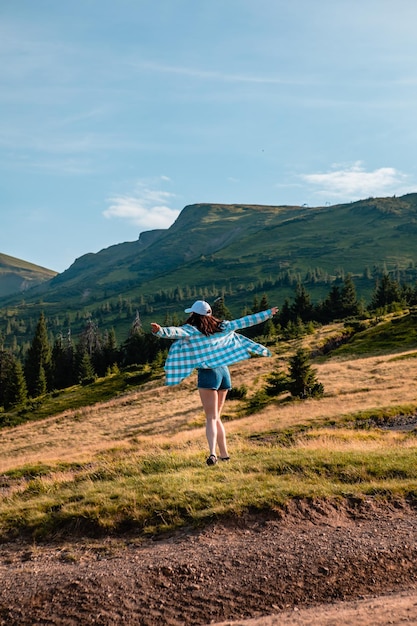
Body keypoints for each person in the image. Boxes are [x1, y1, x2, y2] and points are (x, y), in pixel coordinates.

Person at [151, 300, 279, 466]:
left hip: (208, 374)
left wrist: (160, 331)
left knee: (210, 417)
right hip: (224, 373)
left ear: (194, 314)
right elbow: (246, 321)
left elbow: (175, 332)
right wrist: (268, 314)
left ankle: (212, 454)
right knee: (217, 417)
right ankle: (225, 455)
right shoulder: (223, 327)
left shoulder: (191, 330)